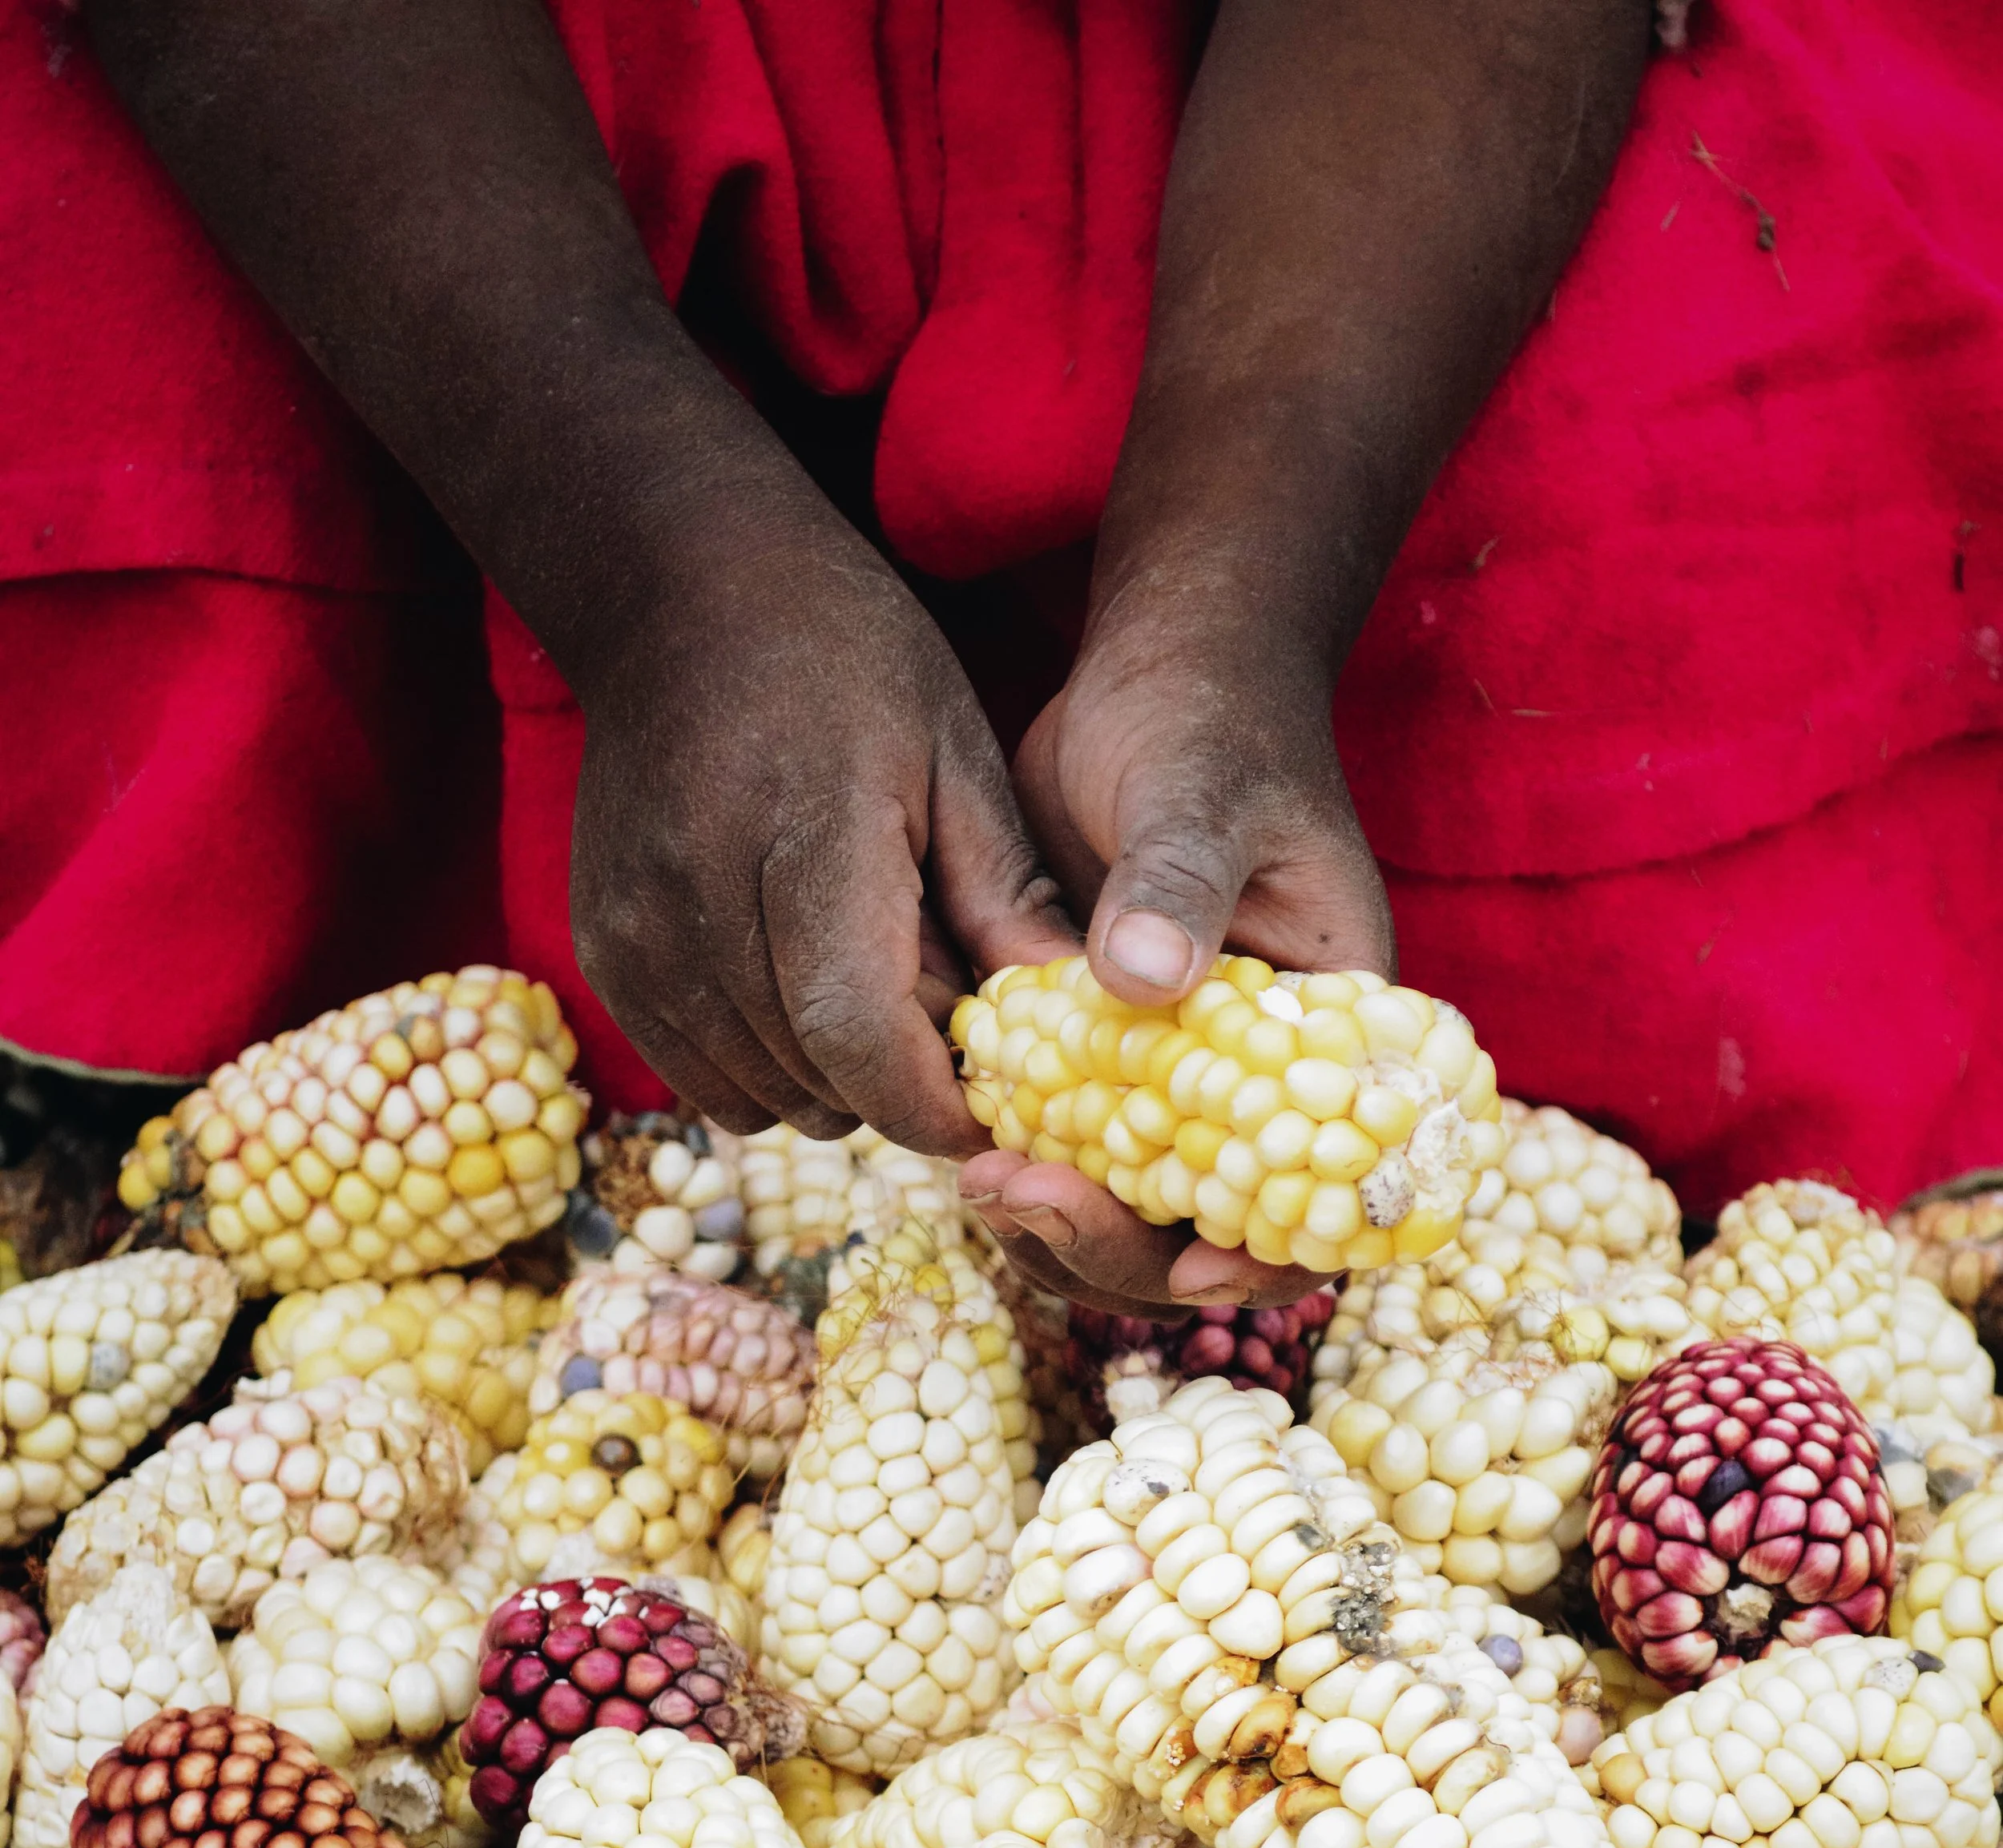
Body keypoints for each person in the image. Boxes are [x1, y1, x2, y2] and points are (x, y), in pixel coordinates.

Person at [5, 0, 2001, 1310]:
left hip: (1335, 140)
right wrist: (642, 567)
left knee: (1679, 460)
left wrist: (1232, 595)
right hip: (487, 111)